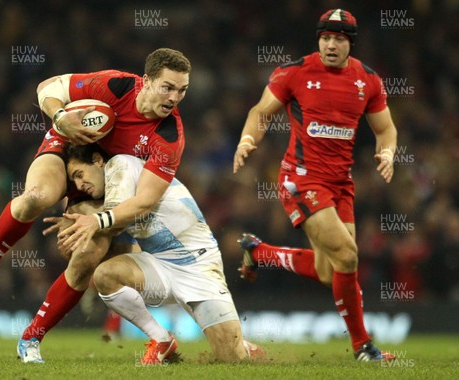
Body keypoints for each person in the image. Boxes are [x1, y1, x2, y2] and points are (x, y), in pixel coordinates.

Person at [0, 48, 191, 356]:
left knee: (88, 256)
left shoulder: (170, 136)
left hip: (104, 185)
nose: (173, 98)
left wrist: (98, 221)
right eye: (167, 87)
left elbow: (145, 200)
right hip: (68, 146)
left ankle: (30, 339)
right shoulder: (115, 86)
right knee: (36, 198)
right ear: (146, 81)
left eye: (182, 90)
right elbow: (47, 89)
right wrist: (60, 116)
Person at [233, 9, 397, 362]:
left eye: (339, 39)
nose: (331, 44)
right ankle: (363, 347)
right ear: (318, 40)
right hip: (301, 179)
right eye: (325, 37)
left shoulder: (368, 80)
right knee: (349, 256)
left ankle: (260, 253)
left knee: (330, 270)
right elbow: (261, 112)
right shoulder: (294, 72)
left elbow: (385, 129)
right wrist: (248, 140)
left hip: (341, 184)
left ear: (350, 43)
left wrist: (388, 153)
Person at [31, 144, 265, 365]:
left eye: (80, 174)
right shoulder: (110, 196)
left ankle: (243, 347)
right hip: (159, 264)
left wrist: (83, 222)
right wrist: (74, 245)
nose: (80, 185)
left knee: (232, 359)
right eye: (74, 180)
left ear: (98, 160)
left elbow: (114, 218)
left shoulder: (121, 165)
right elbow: (117, 251)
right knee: (105, 275)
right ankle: (162, 340)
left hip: (197, 265)